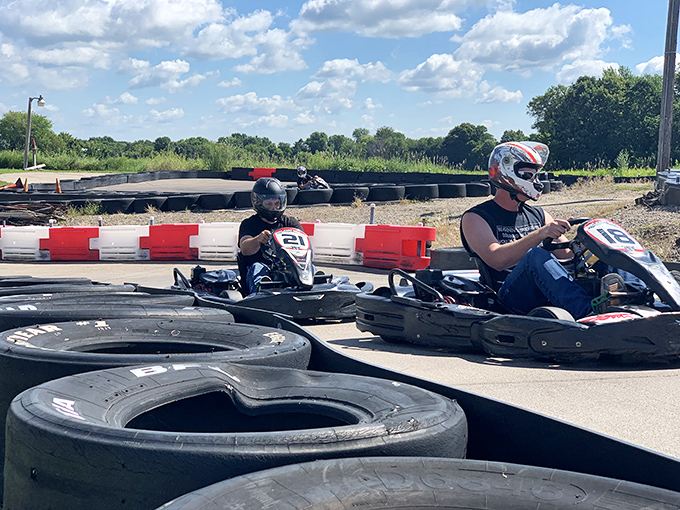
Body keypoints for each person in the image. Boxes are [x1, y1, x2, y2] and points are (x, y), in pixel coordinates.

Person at [460, 141, 635, 319]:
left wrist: (589, 245)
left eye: (536, 176)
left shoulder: (539, 214)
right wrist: (540, 234)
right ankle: (587, 311)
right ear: (506, 173)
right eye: (528, 175)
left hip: (547, 288)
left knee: (606, 248)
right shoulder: (475, 217)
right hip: (509, 296)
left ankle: (634, 298)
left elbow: (566, 255)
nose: (534, 182)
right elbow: (496, 259)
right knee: (535, 256)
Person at [239, 177, 303, 295]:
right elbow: (245, 249)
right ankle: (262, 290)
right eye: (268, 204)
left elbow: (306, 248)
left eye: (277, 203)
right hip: (263, 269)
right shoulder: (249, 224)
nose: (274, 208)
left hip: (287, 269)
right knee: (257, 267)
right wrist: (258, 239)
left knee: (309, 268)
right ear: (258, 203)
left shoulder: (290, 223)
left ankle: (313, 286)